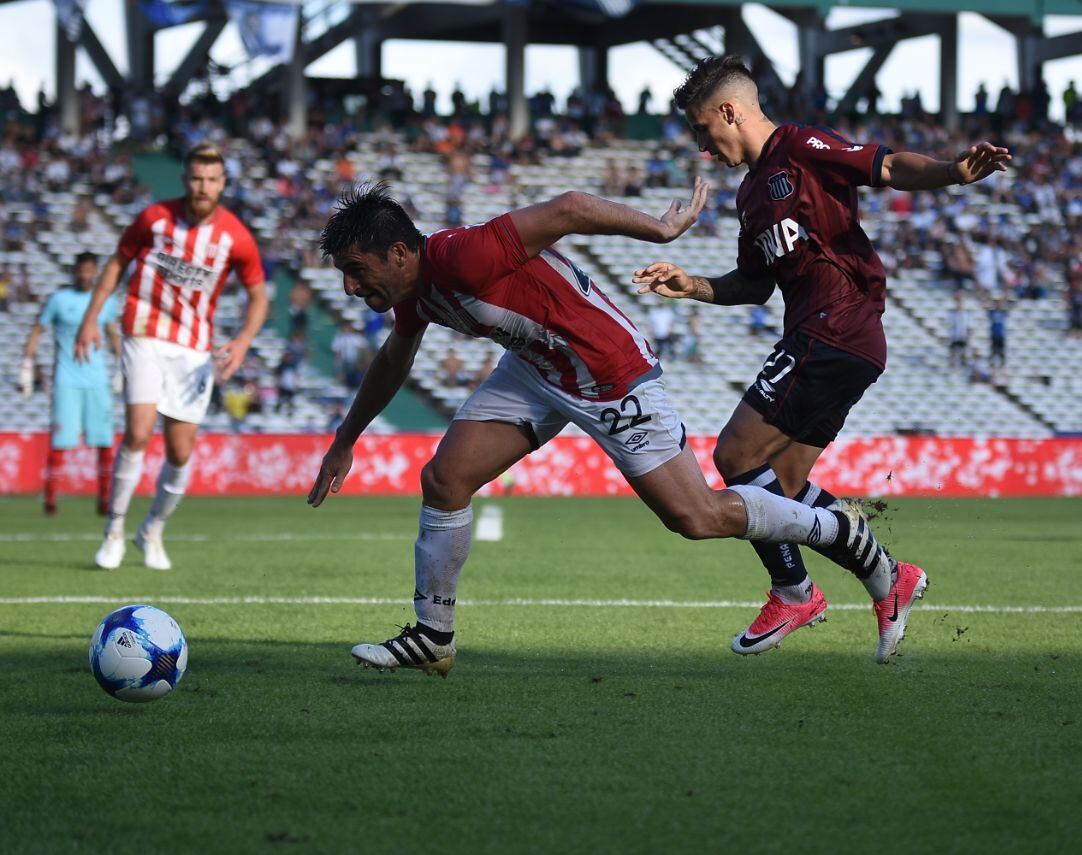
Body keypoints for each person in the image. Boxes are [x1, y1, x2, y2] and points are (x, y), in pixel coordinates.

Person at [308, 182, 881, 677]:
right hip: (536, 369)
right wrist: (345, 438)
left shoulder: (463, 255)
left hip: (608, 371)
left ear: (402, 253)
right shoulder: (417, 292)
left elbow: (571, 208)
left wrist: (661, 229)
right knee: (445, 479)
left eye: (357, 272)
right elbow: (392, 360)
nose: (351, 289)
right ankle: (433, 638)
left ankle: (834, 529)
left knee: (697, 517)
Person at [633, 56, 1010, 662]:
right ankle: (891, 579)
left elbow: (885, 165)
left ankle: (794, 591)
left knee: (733, 456)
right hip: (837, 338)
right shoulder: (753, 193)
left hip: (836, 327)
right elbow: (754, 286)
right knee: (780, 487)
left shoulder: (801, 147)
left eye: (704, 130)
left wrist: (953, 173)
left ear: (730, 111)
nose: (704, 148)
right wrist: (693, 284)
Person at [75, 142, 268, 570]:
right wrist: (92, 317)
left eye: (211, 180)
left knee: (180, 452)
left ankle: (152, 530)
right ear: (185, 180)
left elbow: (258, 296)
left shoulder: (235, 237)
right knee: (140, 433)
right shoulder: (153, 218)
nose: (203, 187)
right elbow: (115, 265)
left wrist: (242, 341)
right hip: (143, 331)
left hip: (193, 348)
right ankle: (114, 531)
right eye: (196, 178)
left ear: (222, 184)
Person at [20, 252, 121, 516]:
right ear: (74, 271)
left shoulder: (105, 302)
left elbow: (112, 334)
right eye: (81, 270)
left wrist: (123, 366)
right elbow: (37, 331)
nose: (85, 275)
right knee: (61, 441)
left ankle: (104, 498)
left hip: (98, 381)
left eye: (90, 270)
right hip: (67, 380)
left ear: (96, 272)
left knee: (103, 441)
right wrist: (27, 365)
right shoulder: (59, 301)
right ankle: (51, 499)